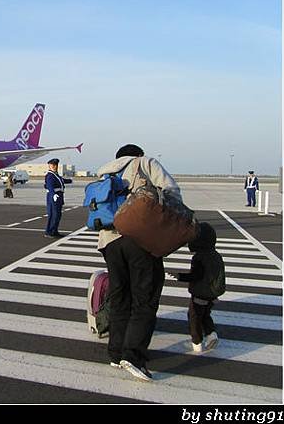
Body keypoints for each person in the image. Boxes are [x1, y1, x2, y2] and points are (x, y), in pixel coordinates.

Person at [96, 144, 182, 382]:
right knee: (145, 297)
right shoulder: (146, 163)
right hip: (139, 239)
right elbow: (172, 191)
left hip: (109, 242)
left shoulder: (106, 172)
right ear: (138, 154)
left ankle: (115, 353)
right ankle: (133, 356)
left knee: (120, 295)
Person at [171, 222, 224, 353]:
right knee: (206, 315)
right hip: (212, 293)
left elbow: (196, 275)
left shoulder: (199, 257)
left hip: (200, 293)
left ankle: (197, 342)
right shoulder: (216, 255)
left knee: (194, 316)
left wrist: (180, 276)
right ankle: (212, 334)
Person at [44, 158, 72, 238]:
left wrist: (70, 180)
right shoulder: (50, 176)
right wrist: (53, 194)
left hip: (59, 196)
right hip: (53, 197)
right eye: (53, 165)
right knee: (53, 214)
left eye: (56, 165)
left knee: (58, 215)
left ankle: (54, 231)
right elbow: (50, 186)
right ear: (49, 166)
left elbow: (62, 180)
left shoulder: (55, 175)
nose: (55, 166)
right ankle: (49, 232)